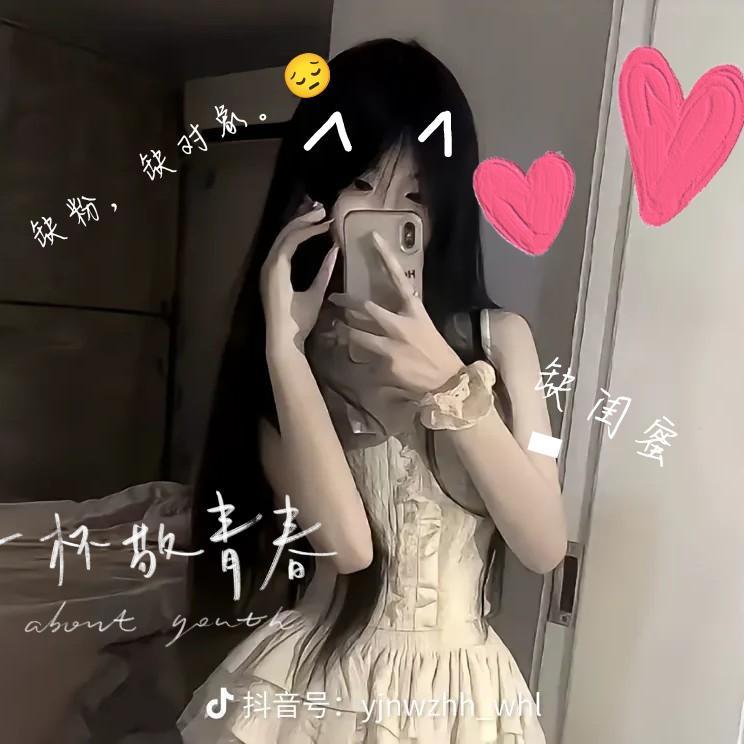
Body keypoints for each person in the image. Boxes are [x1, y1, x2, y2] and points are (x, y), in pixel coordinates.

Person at [178, 37, 567, 744]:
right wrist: (284, 350)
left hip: (463, 696)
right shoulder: (289, 353)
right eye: (360, 183)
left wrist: (447, 384)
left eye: (414, 196)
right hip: (321, 683)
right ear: (316, 190)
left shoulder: (503, 342)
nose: (385, 217)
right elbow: (349, 548)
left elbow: (542, 544)